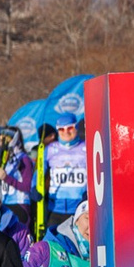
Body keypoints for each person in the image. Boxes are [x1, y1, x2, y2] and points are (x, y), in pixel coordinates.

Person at [41, 93, 87, 230]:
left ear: (76, 128)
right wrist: (34, 188)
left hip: (79, 207)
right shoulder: (50, 149)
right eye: (61, 129)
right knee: (54, 242)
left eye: (70, 128)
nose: (66, 132)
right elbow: (39, 171)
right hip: (56, 206)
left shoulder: (86, 148)